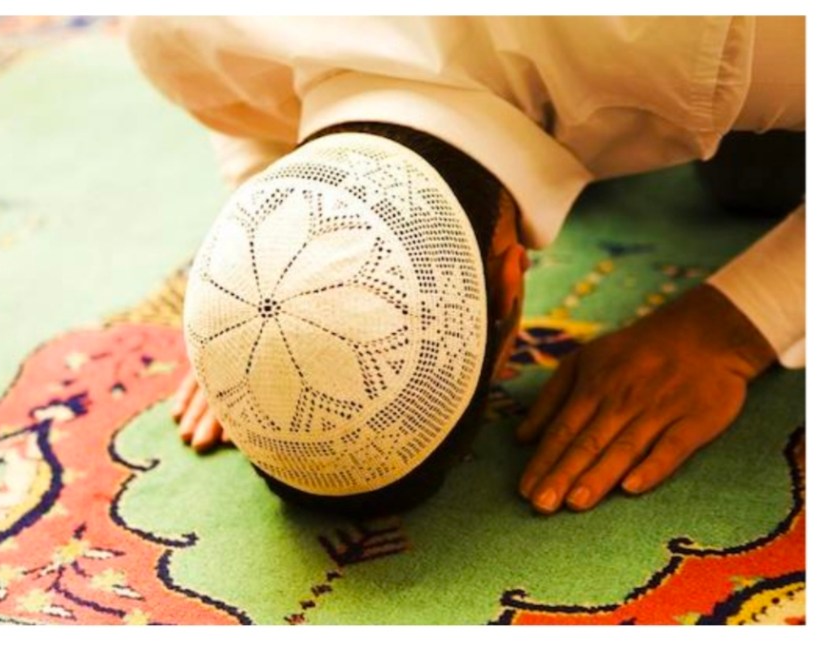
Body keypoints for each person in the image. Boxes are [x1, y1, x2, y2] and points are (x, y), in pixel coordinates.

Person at [127, 16, 805, 517]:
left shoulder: (740, 35)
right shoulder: (180, 32)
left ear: (509, 281)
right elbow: (240, 105)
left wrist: (732, 328)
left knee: (754, 176)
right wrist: (260, 282)